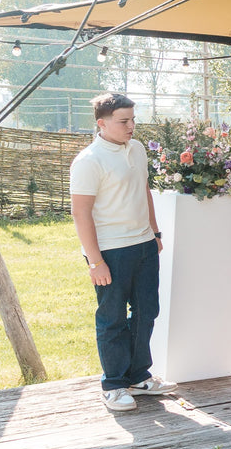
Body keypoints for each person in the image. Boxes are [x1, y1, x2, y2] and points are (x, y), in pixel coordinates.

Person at [70, 92, 175, 412]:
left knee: (147, 312)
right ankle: (114, 385)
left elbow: (144, 191)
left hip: (144, 245)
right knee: (112, 318)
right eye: (123, 121)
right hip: (111, 252)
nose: (131, 126)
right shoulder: (88, 161)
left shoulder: (137, 149)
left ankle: (138, 377)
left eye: (133, 120)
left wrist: (155, 232)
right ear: (101, 124)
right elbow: (80, 213)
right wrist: (95, 261)